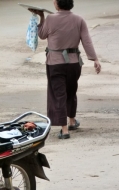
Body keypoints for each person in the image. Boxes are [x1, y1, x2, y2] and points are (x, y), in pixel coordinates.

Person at [29, 0, 101, 140]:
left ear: (57, 4)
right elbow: (87, 41)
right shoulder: (79, 20)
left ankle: (65, 130)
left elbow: (42, 34)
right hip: (74, 64)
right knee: (71, 91)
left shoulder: (51, 19)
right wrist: (95, 59)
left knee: (59, 95)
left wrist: (41, 17)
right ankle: (72, 121)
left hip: (55, 63)